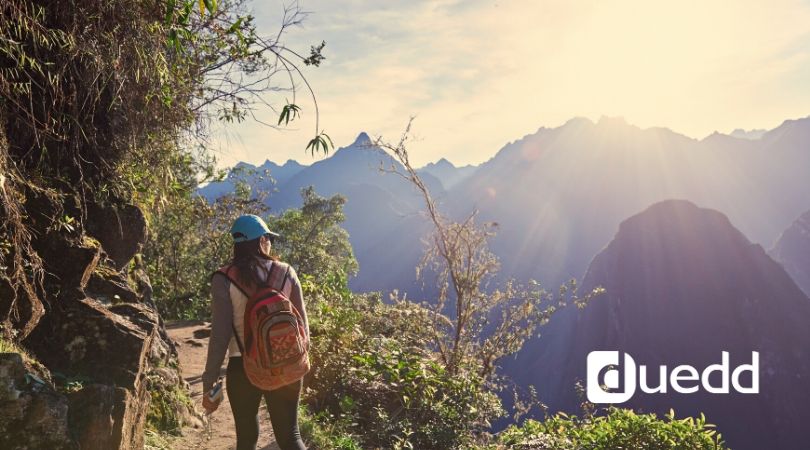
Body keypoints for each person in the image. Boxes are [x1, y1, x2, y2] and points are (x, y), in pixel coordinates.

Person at [202, 214, 309, 450]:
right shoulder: (287, 272)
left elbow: (220, 336)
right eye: (269, 238)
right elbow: (303, 328)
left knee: (247, 439)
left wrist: (209, 380)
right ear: (261, 241)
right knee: (290, 436)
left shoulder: (223, 278)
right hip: (285, 362)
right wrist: (295, 362)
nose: (270, 242)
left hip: (242, 367)